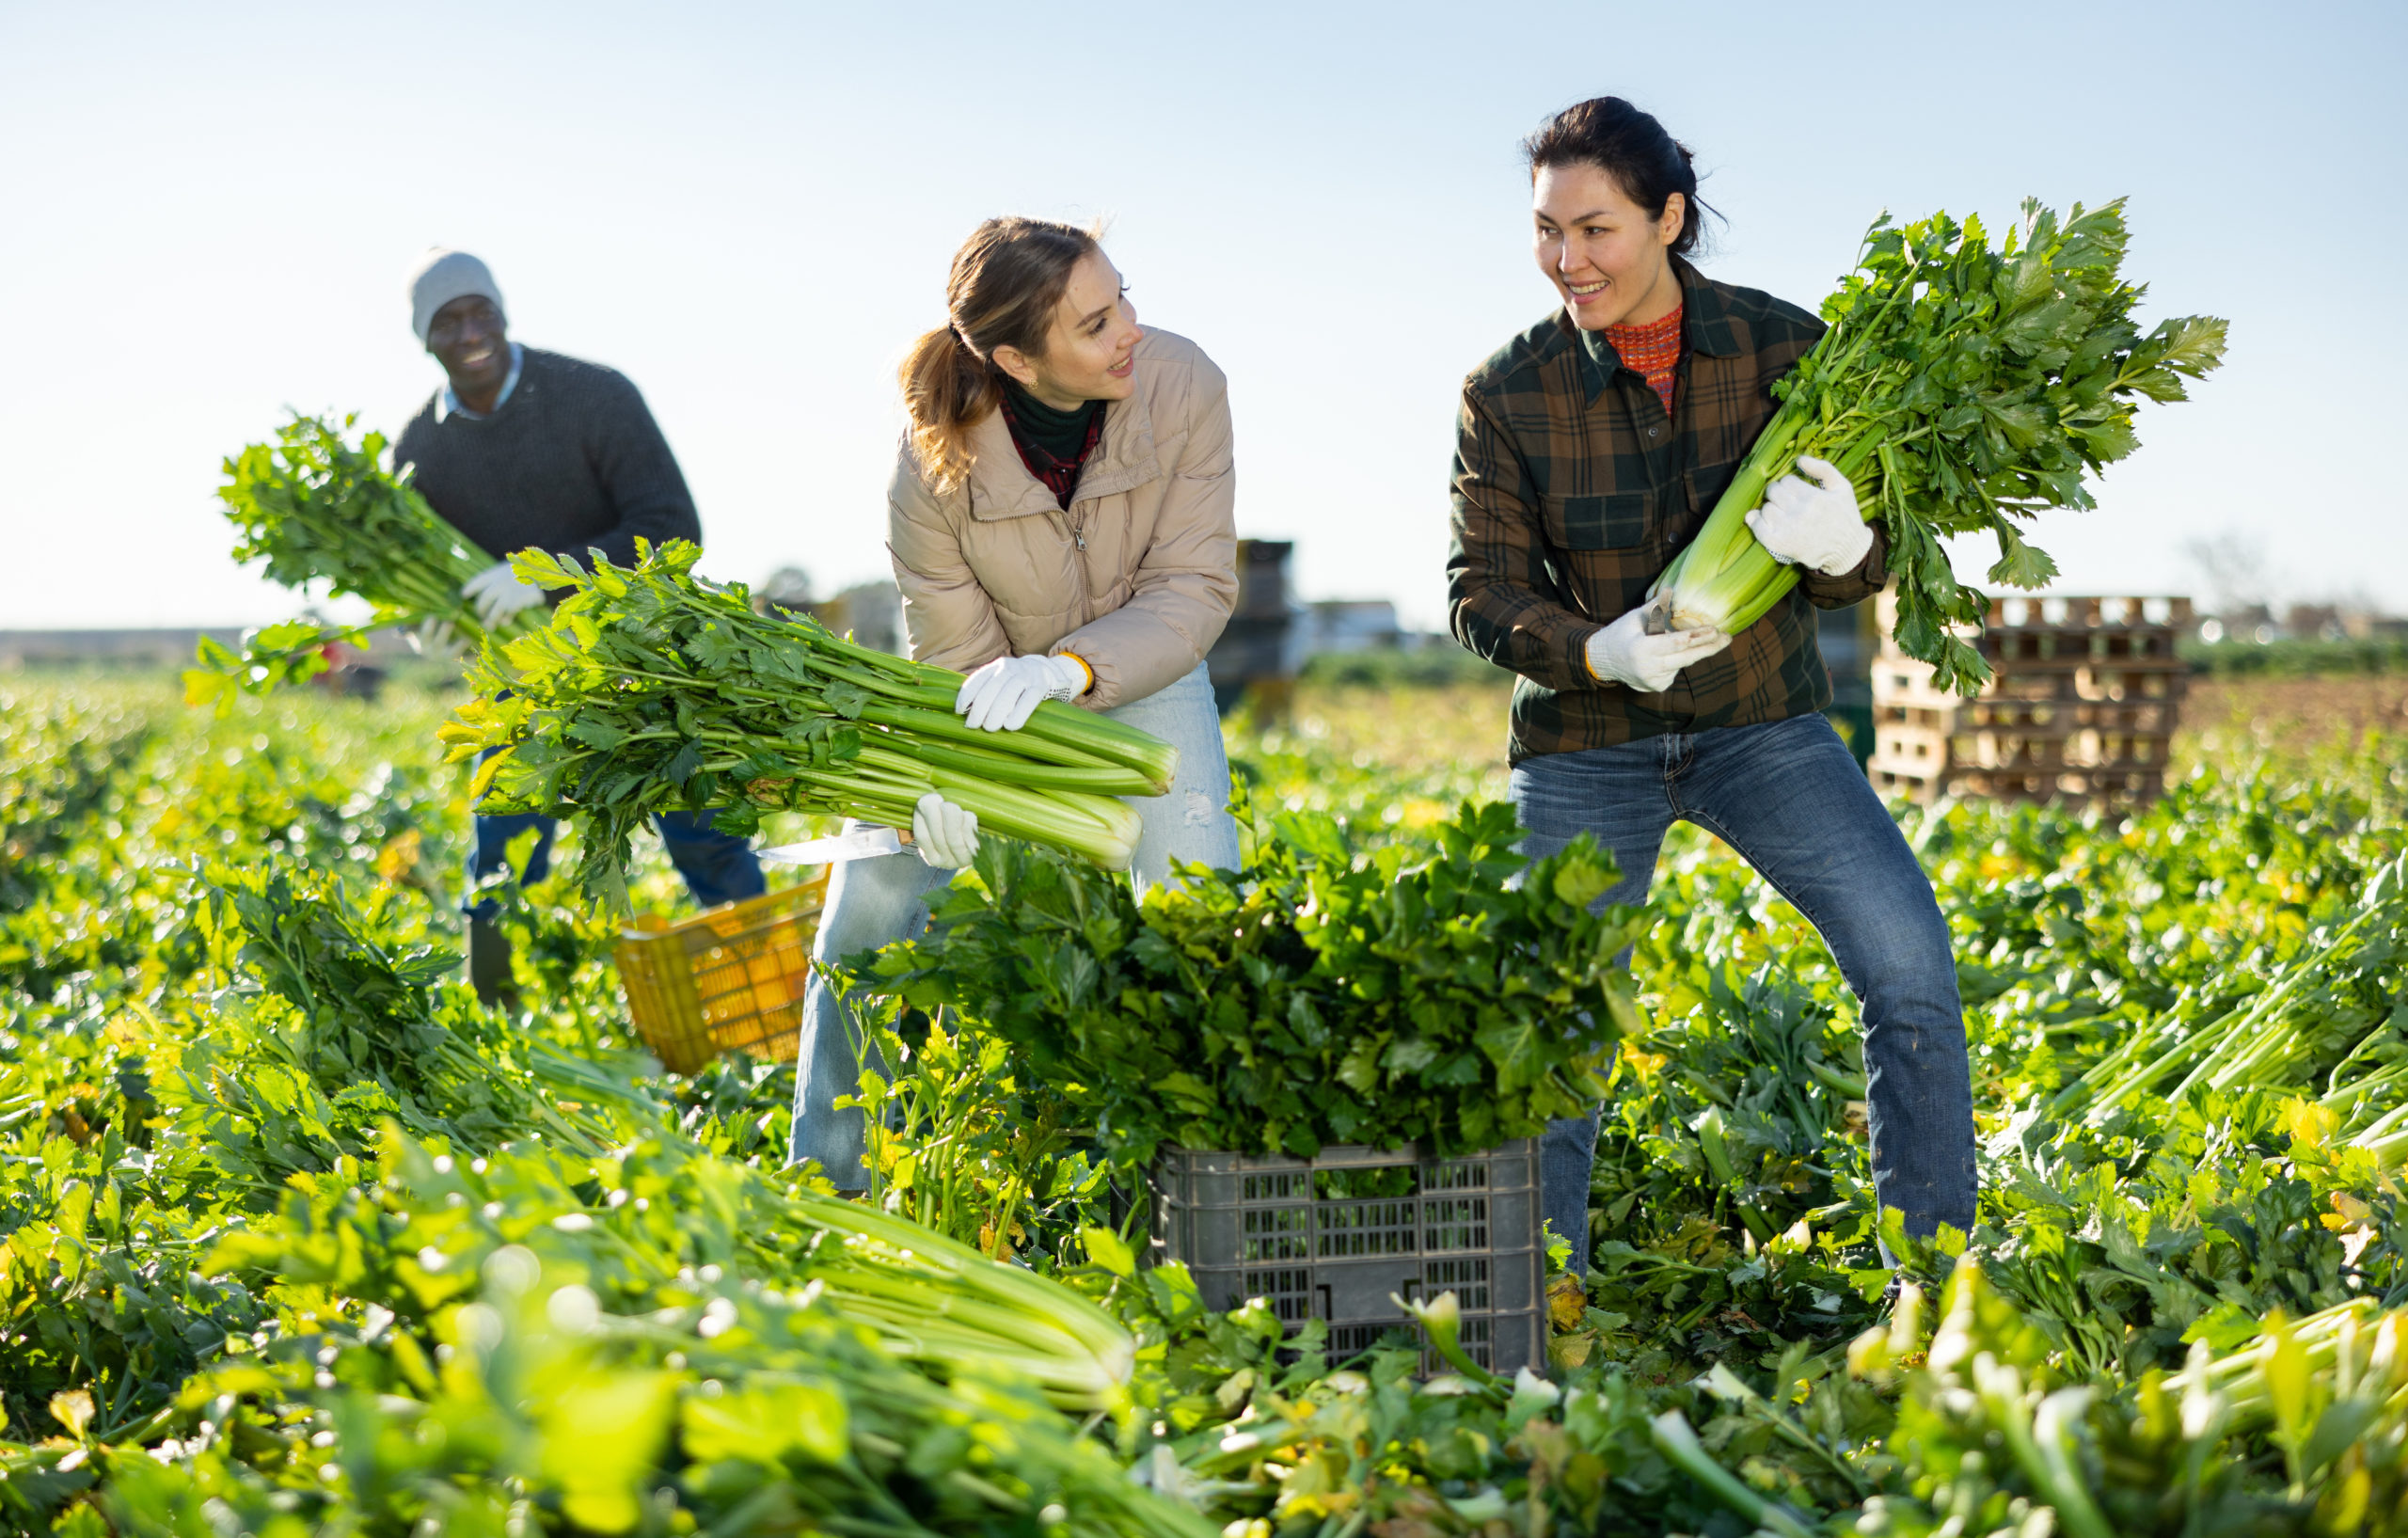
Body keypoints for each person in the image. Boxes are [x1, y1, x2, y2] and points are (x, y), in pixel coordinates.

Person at [1446, 99, 1977, 1262]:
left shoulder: (1788, 348)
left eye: (1596, 230)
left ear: (1668, 217)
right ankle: (1542, 1299)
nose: (1566, 260)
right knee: (1556, 1023)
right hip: (1586, 738)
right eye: (1546, 231)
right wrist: (1597, 648)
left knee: (1910, 974)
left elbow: (1869, 561)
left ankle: (1933, 1282)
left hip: (1760, 721)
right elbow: (1476, 593)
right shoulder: (1508, 391)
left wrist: (1850, 551)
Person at [790, 216, 1243, 1188]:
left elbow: (1193, 590)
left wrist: (1070, 670)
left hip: (1142, 665)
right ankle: (828, 1179)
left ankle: (1202, 1183)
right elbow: (956, 658)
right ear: (1014, 359)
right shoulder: (930, 462)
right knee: (868, 894)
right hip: (987, 688)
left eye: (1121, 296)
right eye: (1094, 322)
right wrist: (958, 786)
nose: (1128, 328)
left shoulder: (1184, 382)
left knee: (1198, 911)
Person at [392, 247, 766, 1000]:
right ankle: (491, 1032)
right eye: (447, 320)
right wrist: (424, 627)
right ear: (422, 339)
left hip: (644, 665)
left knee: (708, 841)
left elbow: (672, 529)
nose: (470, 332)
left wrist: (545, 575)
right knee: (501, 862)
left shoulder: (592, 396)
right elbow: (427, 584)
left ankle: (774, 998)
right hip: (525, 682)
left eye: (480, 311)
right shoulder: (419, 450)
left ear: (503, 313)